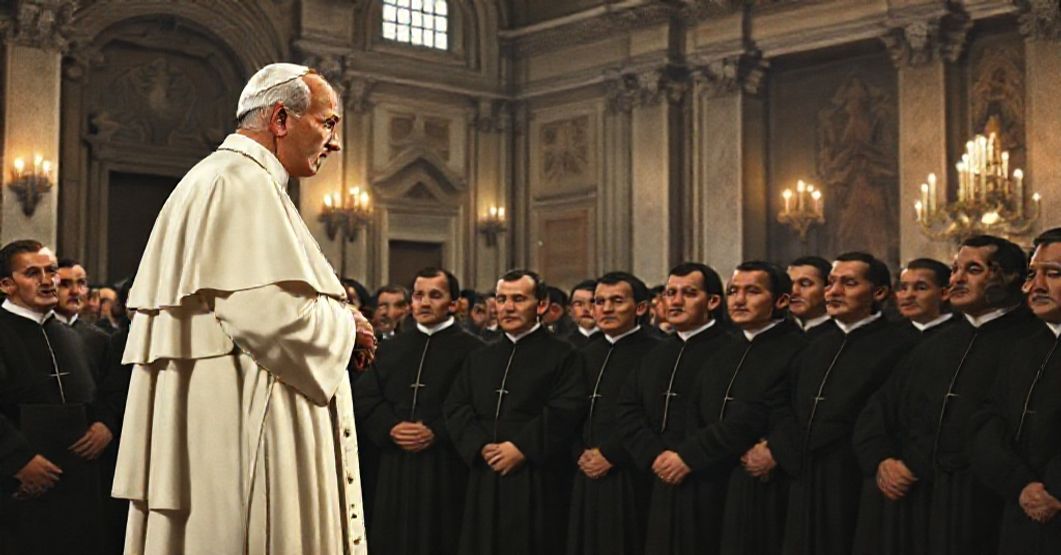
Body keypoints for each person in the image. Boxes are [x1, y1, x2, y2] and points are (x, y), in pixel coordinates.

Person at [111, 63, 375, 555]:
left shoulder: (221, 177)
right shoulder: (242, 183)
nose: (334, 142)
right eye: (328, 123)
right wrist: (348, 323)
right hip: (243, 424)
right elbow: (272, 320)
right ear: (280, 119)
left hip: (220, 416)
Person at [852, 235, 1036, 555]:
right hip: (916, 498)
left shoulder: (1030, 340)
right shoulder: (939, 341)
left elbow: (984, 425)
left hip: (984, 499)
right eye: (954, 270)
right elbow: (881, 406)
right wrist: (882, 458)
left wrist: (916, 462)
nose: (957, 279)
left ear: (1010, 277)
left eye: (973, 270)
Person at [776, 252, 915, 555]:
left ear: (878, 293)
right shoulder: (813, 346)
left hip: (856, 475)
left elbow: (888, 414)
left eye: (849, 283)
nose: (834, 292)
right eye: (831, 283)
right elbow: (785, 404)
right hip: (804, 473)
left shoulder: (901, 345)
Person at [444, 269, 586, 555]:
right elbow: (457, 405)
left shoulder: (564, 354)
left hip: (536, 473)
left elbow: (566, 408)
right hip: (485, 470)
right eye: (502, 299)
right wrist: (480, 446)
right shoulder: (481, 356)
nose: (507, 307)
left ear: (541, 305)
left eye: (518, 299)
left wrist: (521, 448)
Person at [355, 268, 484, 555]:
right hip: (394, 464)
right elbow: (366, 396)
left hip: (446, 465)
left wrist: (436, 431)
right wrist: (390, 427)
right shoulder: (389, 348)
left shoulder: (475, 350)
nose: (424, 303)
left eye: (435, 295)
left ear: (454, 303)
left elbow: (476, 404)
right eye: (419, 295)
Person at [617, 262, 730, 555]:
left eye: (689, 293)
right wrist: (656, 455)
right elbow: (628, 408)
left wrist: (688, 457)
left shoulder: (732, 350)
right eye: (670, 293)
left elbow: (736, 417)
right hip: (656, 477)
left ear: (713, 301)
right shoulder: (655, 351)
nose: (676, 301)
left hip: (712, 478)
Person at [0, 240, 105, 555]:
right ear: (6, 284)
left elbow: (98, 394)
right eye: (32, 273)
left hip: (78, 486)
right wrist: (17, 460)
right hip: (16, 488)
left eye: (50, 271)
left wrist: (104, 424)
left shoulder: (74, 337)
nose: (47, 281)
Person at [973, 227, 1061, 554]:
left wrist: (1053, 489)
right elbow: (986, 420)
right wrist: (1020, 485)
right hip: (1020, 509)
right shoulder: (1022, 346)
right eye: (1032, 274)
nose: (1036, 286)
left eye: (1052, 274)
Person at [711, 262, 808, 555]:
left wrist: (775, 447)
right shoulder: (724, 348)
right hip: (716, 474)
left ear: (781, 301)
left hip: (767, 478)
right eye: (733, 292)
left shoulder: (801, 348)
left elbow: (799, 412)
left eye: (752, 291)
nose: (739, 301)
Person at [566, 272, 660, 555]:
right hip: (583, 468)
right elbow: (568, 410)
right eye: (599, 301)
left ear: (640, 308)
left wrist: (611, 453)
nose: (606, 309)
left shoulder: (657, 352)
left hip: (630, 470)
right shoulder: (582, 354)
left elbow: (653, 414)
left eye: (617, 301)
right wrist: (579, 451)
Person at [893, 258, 955, 341]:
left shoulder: (961, 333)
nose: (908, 295)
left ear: (944, 293)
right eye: (903, 288)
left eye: (921, 288)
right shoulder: (888, 335)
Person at [787, 256, 837, 339]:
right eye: (789, 284)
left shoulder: (842, 332)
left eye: (805, 284)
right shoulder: (777, 331)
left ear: (828, 288)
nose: (794, 292)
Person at [563, 279, 600, 348]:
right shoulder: (561, 344)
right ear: (569, 310)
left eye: (593, 302)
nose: (586, 309)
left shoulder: (614, 342)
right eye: (579, 303)